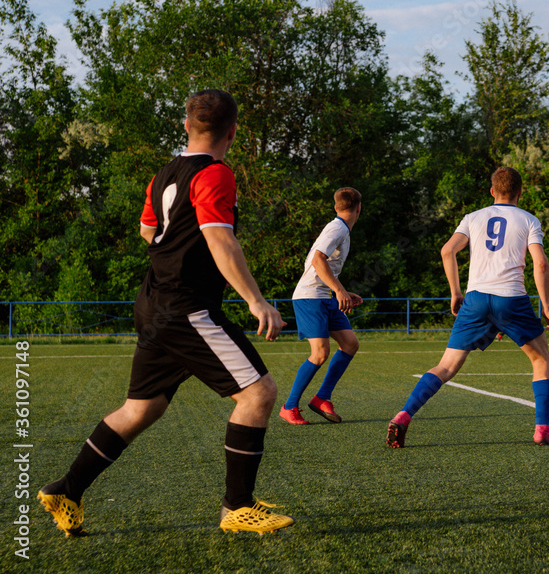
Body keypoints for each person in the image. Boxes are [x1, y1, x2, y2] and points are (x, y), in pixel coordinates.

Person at [38, 89, 293, 536]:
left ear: (186, 126)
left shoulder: (163, 175)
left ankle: (66, 490)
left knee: (141, 409)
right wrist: (256, 300)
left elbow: (147, 231)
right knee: (259, 394)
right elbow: (219, 239)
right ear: (233, 132)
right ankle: (237, 506)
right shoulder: (216, 173)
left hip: (154, 302)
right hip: (186, 308)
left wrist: (181, 255)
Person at [386, 166, 549, 448]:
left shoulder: (473, 217)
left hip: (476, 298)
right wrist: (547, 305)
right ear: (520, 192)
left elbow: (447, 250)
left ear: (492, 191)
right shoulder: (529, 220)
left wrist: (456, 292)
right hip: (512, 299)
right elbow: (540, 263)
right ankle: (542, 429)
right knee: (540, 359)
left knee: (446, 366)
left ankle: (404, 414)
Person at [279, 188, 364, 425]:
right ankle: (289, 406)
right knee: (319, 353)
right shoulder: (337, 228)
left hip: (325, 296)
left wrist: (341, 290)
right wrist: (339, 290)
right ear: (359, 208)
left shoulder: (341, 229)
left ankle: (322, 398)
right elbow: (317, 260)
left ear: (336, 207)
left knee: (350, 344)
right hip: (310, 297)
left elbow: (321, 265)